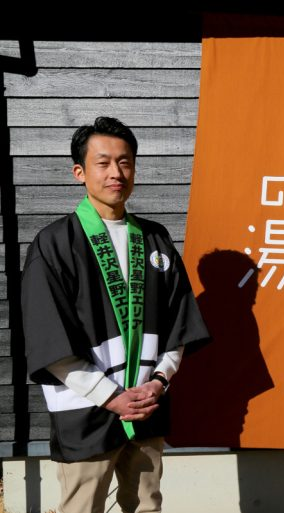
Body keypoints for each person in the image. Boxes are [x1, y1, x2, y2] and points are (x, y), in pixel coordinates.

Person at [21, 116, 209, 513]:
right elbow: (48, 337)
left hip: (147, 406)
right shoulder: (54, 245)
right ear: (79, 172)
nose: (116, 173)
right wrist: (111, 397)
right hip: (84, 411)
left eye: (125, 162)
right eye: (103, 163)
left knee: (146, 506)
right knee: (82, 507)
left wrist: (159, 381)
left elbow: (179, 323)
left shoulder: (155, 239)